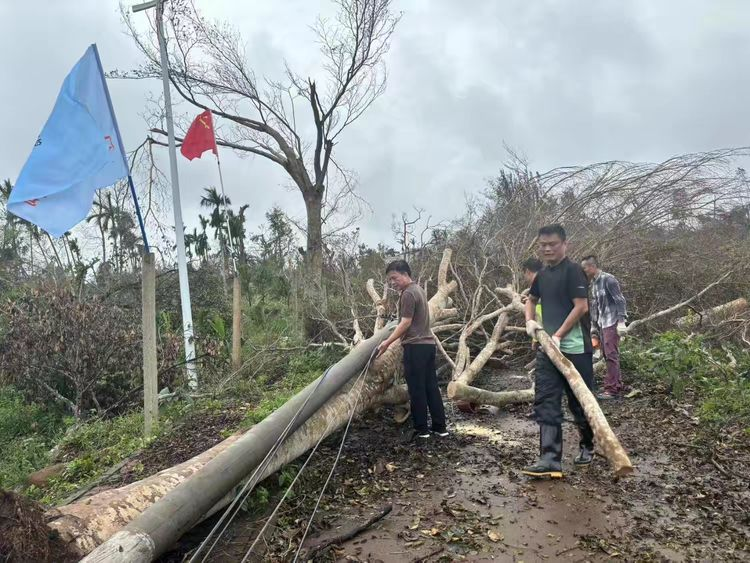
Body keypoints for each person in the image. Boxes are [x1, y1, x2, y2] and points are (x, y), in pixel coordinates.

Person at [523, 224, 595, 478]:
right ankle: (550, 460)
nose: (547, 248)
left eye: (552, 243)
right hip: (548, 350)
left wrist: (558, 335)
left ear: (565, 244)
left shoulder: (574, 272)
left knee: (580, 402)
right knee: (546, 399)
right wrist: (531, 322)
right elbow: (530, 300)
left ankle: (588, 445)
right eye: (543, 244)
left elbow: (581, 307)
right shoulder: (542, 275)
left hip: (575, 349)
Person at [377, 260, 448, 442]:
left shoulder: (408, 293)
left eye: (394, 278)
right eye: (390, 280)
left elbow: (406, 322)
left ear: (405, 274)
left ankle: (421, 430)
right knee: (431, 387)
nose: (393, 282)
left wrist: (387, 342)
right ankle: (440, 428)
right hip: (428, 345)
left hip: (415, 347)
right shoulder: (419, 290)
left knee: (416, 389)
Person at [581, 255, 628, 400]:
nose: (584, 271)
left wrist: (621, 321)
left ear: (592, 266)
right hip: (602, 323)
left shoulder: (609, 279)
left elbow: (620, 300)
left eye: (584, 268)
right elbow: (595, 307)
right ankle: (615, 384)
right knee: (607, 354)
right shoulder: (594, 284)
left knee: (611, 354)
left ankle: (612, 389)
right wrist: (594, 329)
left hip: (612, 322)